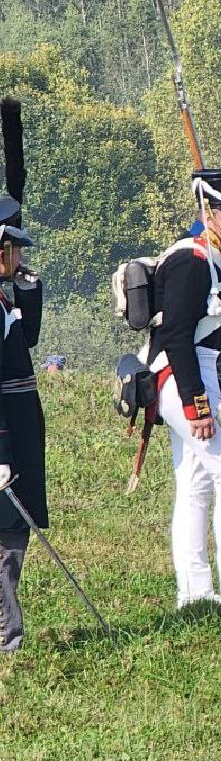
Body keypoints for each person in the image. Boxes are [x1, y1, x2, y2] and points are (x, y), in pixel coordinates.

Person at [150, 166, 221, 607]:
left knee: (195, 485)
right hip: (181, 377)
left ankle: (194, 594)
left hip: (198, 370)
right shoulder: (190, 261)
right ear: (208, 212)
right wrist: (197, 407)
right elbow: (176, 337)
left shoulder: (215, 258)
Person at [0, 97, 43, 653]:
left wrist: (26, 288)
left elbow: (26, 341)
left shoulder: (6, 295)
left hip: (18, 429)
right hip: (4, 435)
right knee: (5, 543)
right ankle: (7, 638)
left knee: (14, 536)